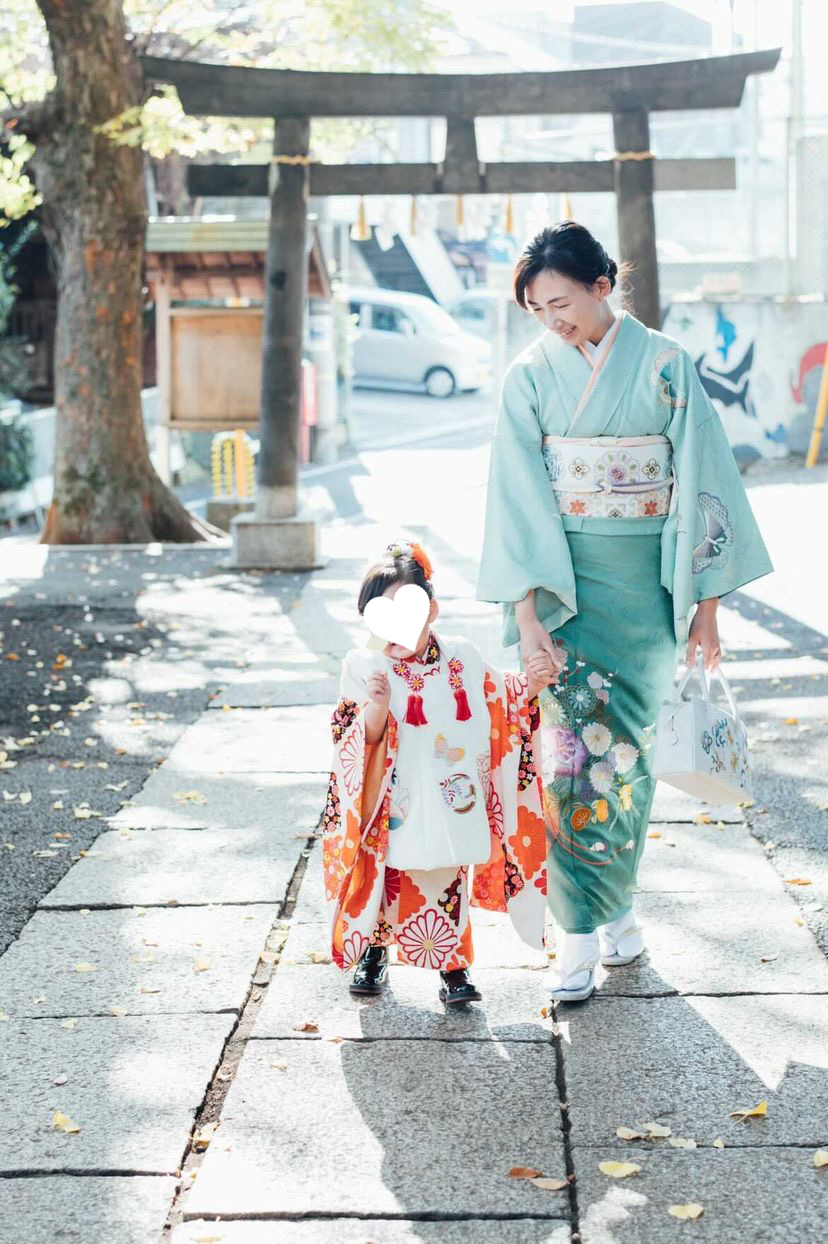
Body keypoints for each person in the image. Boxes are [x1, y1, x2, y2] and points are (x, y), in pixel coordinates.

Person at [477, 221, 773, 1003]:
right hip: (565, 594)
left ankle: (618, 913)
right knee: (571, 766)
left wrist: (706, 608)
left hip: (646, 595)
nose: (551, 321)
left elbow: (707, 482)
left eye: (562, 302)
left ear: (602, 286)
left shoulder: (668, 367)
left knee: (627, 767)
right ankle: (579, 942)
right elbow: (515, 502)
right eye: (537, 309)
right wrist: (529, 619)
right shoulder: (529, 377)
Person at [323, 539, 560, 1005]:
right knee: (387, 878)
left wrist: (531, 684)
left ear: (430, 610)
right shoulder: (364, 665)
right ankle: (375, 952)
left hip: (453, 797)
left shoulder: (463, 658)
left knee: (446, 877)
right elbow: (352, 741)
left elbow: (503, 701)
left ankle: (453, 964)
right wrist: (375, 710)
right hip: (392, 800)